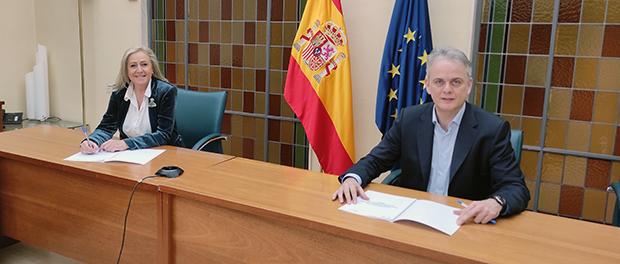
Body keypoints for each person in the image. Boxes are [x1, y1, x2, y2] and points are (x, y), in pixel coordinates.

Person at [332, 46, 530, 225]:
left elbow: (515, 187)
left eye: (456, 82)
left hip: (461, 221)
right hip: (413, 218)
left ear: (468, 86)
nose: (447, 89)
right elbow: (377, 159)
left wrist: (496, 202)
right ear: (427, 85)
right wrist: (352, 178)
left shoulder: (492, 129)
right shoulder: (409, 119)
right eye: (439, 82)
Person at [80, 45, 183, 154]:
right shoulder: (119, 94)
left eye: (144, 64)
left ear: (152, 68)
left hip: (165, 153)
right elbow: (106, 127)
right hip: (130, 156)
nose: (139, 70)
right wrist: (92, 141)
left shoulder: (166, 91)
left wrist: (127, 143)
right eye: (133, 66)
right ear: (127, 71)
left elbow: (164, 134)